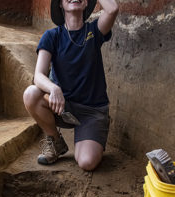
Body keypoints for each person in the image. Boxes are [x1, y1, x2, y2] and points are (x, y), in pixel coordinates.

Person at [23, 0, 119, 171]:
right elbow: (38, 75)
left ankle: (91, 133)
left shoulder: (94, 31)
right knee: (31, 94)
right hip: (63, 106)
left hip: (93, 112)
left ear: (86, 4)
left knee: (86, 163)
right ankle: (56, 141)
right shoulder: (52, 36)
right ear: (60, 4)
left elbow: (112, 9)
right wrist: (53, 88)